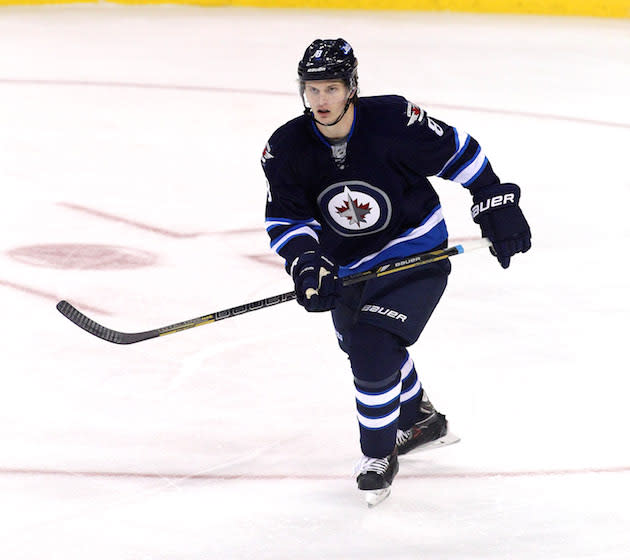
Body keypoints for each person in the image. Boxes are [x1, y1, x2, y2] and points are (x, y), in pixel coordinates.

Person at [260, 38, 531, 505]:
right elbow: (287, 218)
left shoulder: (392, 121)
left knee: (371, 344)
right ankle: (420, 420)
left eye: (331, 88)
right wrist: (308, 263)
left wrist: (493, 200)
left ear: (351, 87)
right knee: (365, 346)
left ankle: (379, 455)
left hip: (414, 250)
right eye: (312, 90)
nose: (321, 100)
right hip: (348, 266)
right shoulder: (286, 147)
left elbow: (460, 153)